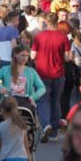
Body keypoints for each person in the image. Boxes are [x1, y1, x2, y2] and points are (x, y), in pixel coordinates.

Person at [31, 12, 71, 142]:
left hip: (42, 73)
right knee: (56, 101)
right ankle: (54, 131)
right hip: (59, 73)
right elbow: (67, 57)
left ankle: (45, 124)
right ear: (57, 22)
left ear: (46, 22)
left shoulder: (39, 37)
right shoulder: (63, 37)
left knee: (43, 100)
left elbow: (32, 56)